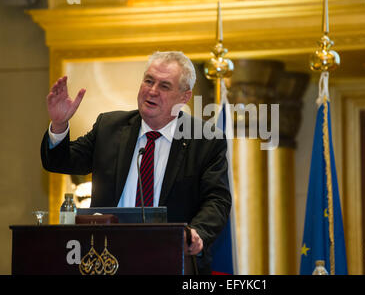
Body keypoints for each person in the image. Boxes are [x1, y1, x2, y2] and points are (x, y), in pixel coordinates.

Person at [41, 51, 231, 274]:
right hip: (107, 259)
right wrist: (59, 125)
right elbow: (61, 161)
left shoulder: (205, 139)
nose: (152, 91)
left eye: (165, 86)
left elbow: (217, 200)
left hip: (171, 259)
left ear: (184, 97)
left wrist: (197, 232)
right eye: (149, 81)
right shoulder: (109, 127)